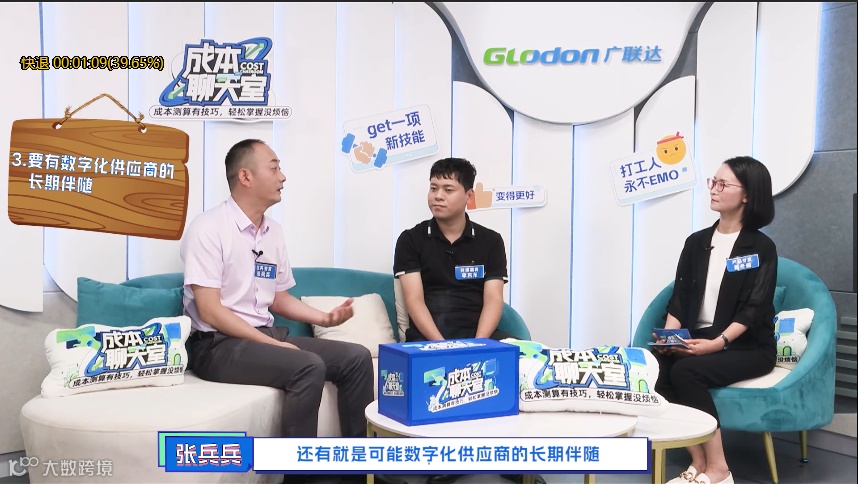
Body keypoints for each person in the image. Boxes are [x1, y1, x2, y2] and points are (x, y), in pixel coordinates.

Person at [181, 139, 377, 484]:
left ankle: (356, 475)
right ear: (246, 176)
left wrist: (325, 318)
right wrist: (273, 345)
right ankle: (300, 478)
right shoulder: (208, 228)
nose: (283, 177)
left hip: (261, 336)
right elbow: (209, 311)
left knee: (356, 358)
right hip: (216, 346)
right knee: (307, 365)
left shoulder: (273, 232)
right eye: (274, 168)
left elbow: (278, 298)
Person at [393, 157, 543, 484]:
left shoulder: (490, 241)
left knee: (525, 364)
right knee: (440, 376)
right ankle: (448, 464)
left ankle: (515, 464)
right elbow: (414, 301)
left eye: (448, 189)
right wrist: (444, 348)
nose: (438, 196)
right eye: (433, 188)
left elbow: (493, 300)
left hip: (478, 335)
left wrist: (476, 345)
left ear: (468, 196)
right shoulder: (411, 240)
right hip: (429, 337)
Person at [654, 156, 777, 484]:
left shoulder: (760, 248)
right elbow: (679, 297)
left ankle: (720, 469)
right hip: (700, 336)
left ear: (747, 195)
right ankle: (697, 462)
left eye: (723, 184)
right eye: (713, 182)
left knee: (686, 372)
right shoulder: (696, 243)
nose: (714, 189)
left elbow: (753, 309)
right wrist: (668, 339)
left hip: (748, 346)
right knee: (653, 367)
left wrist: (718, 343)